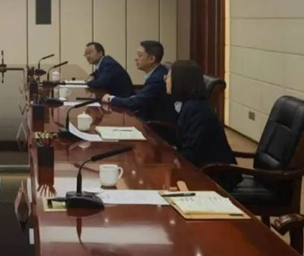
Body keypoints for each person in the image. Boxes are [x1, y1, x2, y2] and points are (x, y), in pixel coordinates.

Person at [166, 60, 240, 191]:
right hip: (201, 169)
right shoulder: (189, 105)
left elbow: (193, 152)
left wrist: (168, 161)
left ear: (180, 81)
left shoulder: (197, 110)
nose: (165, 79)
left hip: (215, 175)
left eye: (169, 76)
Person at [101, 40, 175, 125]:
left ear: (152, 59)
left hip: (156, 127)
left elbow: (134, 103)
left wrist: (111, 99)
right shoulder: (158, 73)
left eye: (140, 55)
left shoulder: (157, 78)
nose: (135, 58)